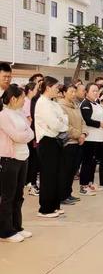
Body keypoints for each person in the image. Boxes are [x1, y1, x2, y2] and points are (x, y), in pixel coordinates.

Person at [0, 85, 34, 242]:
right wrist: (25, 135)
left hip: (23, 158)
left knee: (18, 195)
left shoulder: (19, 113)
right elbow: (17, 136)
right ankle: (6, 231)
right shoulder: (4, 115)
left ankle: (17, 226)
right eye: (22, 98)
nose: (24, 100)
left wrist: (25, 134)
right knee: (8, 196)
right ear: (13, 99)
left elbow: (31, 132)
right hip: (9, 159)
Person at [35, 76, 68, 218]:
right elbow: (55, 125)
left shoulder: (53, 103)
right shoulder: (42, 103)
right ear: (48, 88)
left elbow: (65, 119)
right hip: (47, 141)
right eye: (56, 87)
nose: (58, 90)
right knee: (48, 176)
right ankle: (45, 208)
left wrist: (61, 122)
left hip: (55, 140)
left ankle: (54, 205)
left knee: (56, 174)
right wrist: (61, 123)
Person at [58, 84, 87, 204]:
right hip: (69, 142)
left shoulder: (76, 106)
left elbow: (82, 121)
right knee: (65, 170)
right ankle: (62, 195)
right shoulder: (60, 106)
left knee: (73, 170)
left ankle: (68, 193)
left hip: (79, 141)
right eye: (71, 92)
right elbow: (65, 125)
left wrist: (84, 134)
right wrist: (78, 135)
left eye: (75, 92)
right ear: (64, 93)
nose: (73, 94)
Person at [79, 83, 103, 195]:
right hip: (89, 138)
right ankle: (83, 185)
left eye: (97, 90)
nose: (96, 93)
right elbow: (87, 120)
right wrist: (100, 124)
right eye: (93, 91)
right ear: (86, 92)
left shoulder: (96, 103)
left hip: (98, 137)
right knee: (87, 162)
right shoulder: (85, 104)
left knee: (93, 162)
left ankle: (90, 183)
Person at [22, 82, 41, 195]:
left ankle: (30, 181)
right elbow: (30, 119)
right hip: (30, 135)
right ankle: (31, 183)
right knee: (33, 159)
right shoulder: (27, 102)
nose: (37, 91)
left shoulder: (32, 101)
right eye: (36, 89)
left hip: (32, 134)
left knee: (33, 159)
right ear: (30, 90)